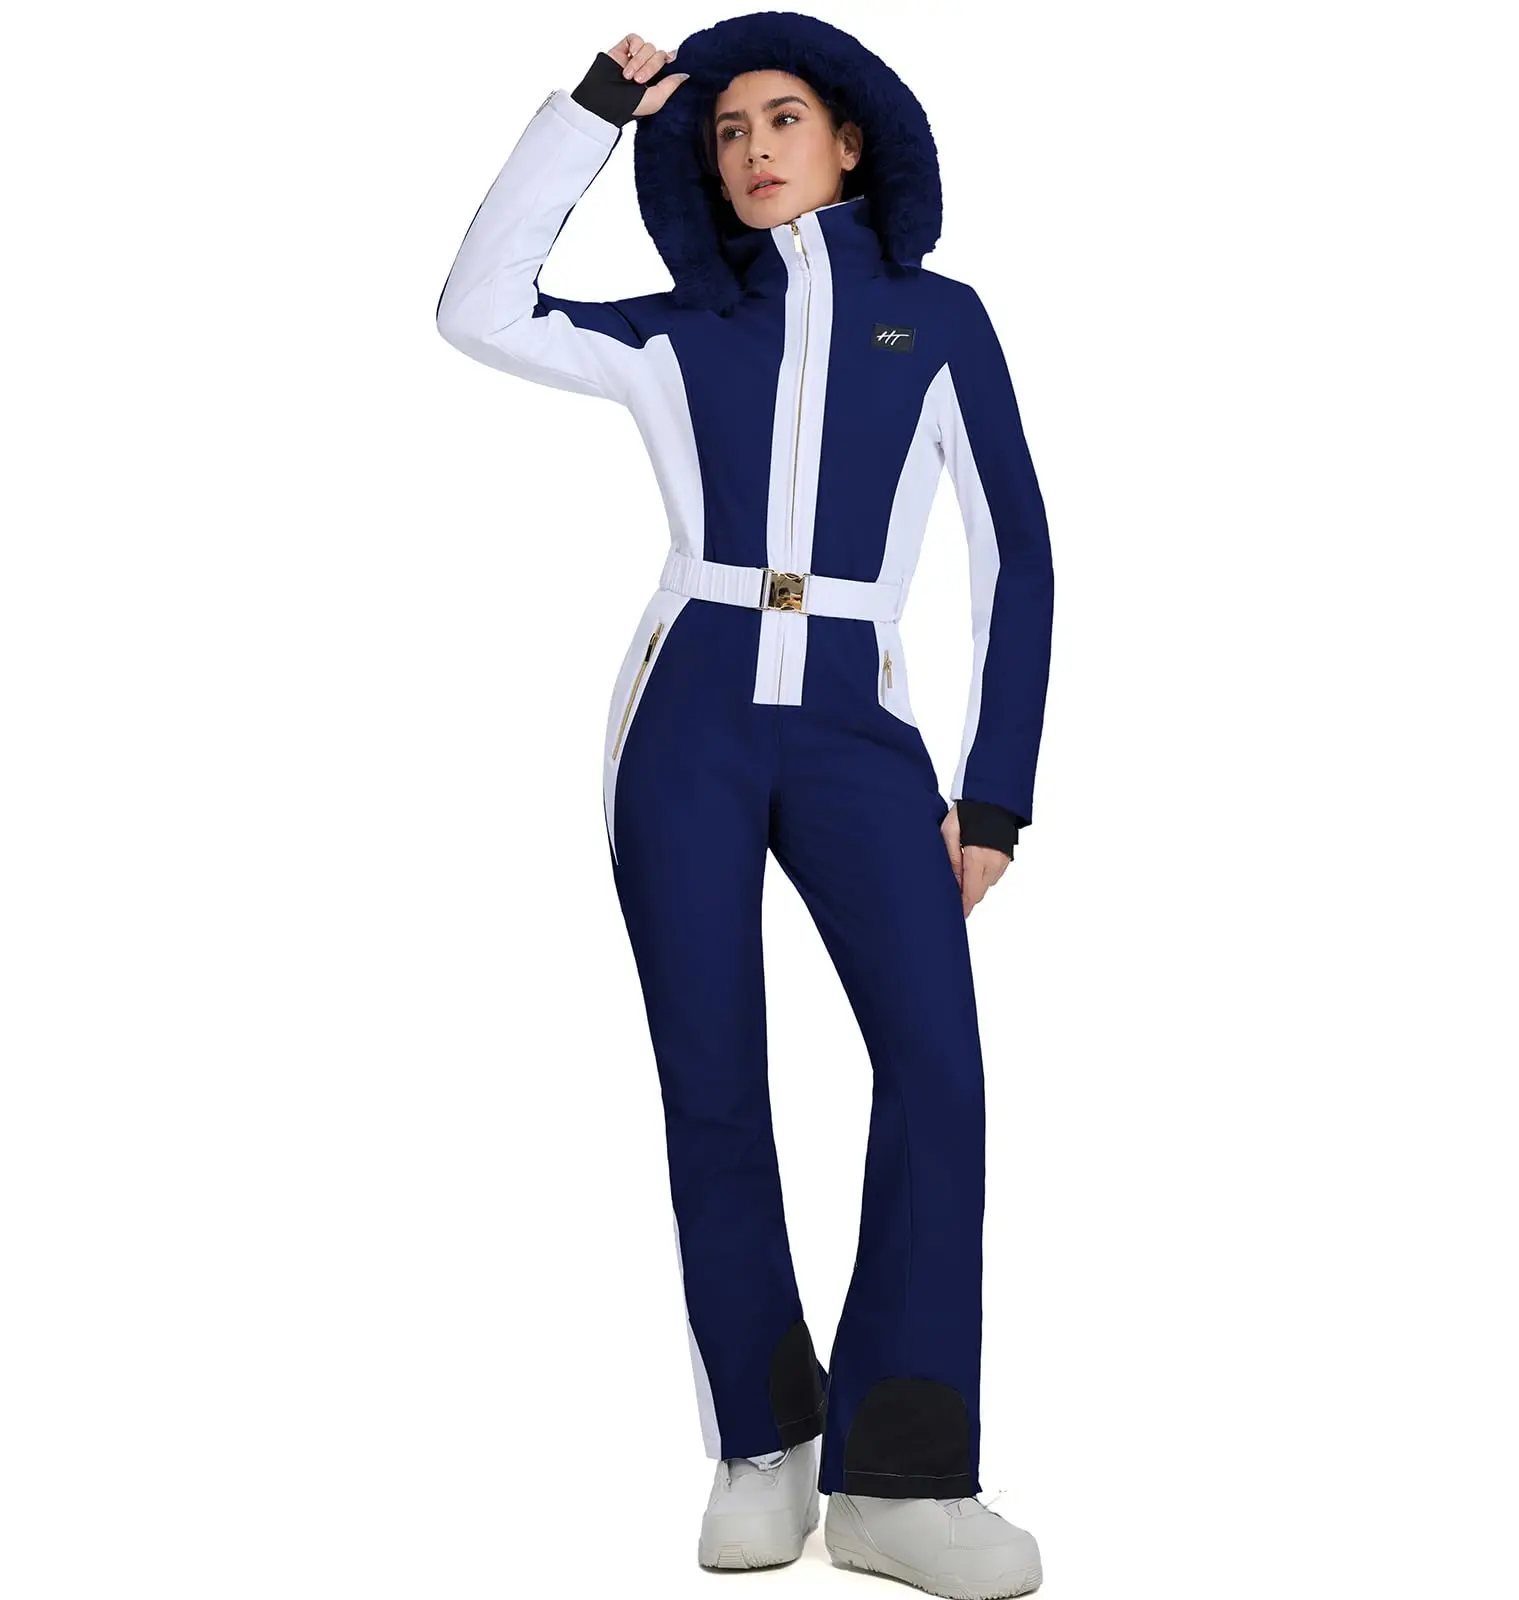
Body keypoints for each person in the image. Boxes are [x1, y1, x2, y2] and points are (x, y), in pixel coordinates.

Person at [435, 13, 1052, 1597]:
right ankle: (761, 1442)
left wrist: (993, 795)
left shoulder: (940, 320)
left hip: (861, 735)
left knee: (939, 1073)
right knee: (713, 1084)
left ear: (850, 143)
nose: (755, 149)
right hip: (688, 725)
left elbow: (1017, 556)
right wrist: (594, 112)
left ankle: (905, 1476)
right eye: (726, 131)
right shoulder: (678, 328)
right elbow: (475, 307)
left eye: (784, 120)